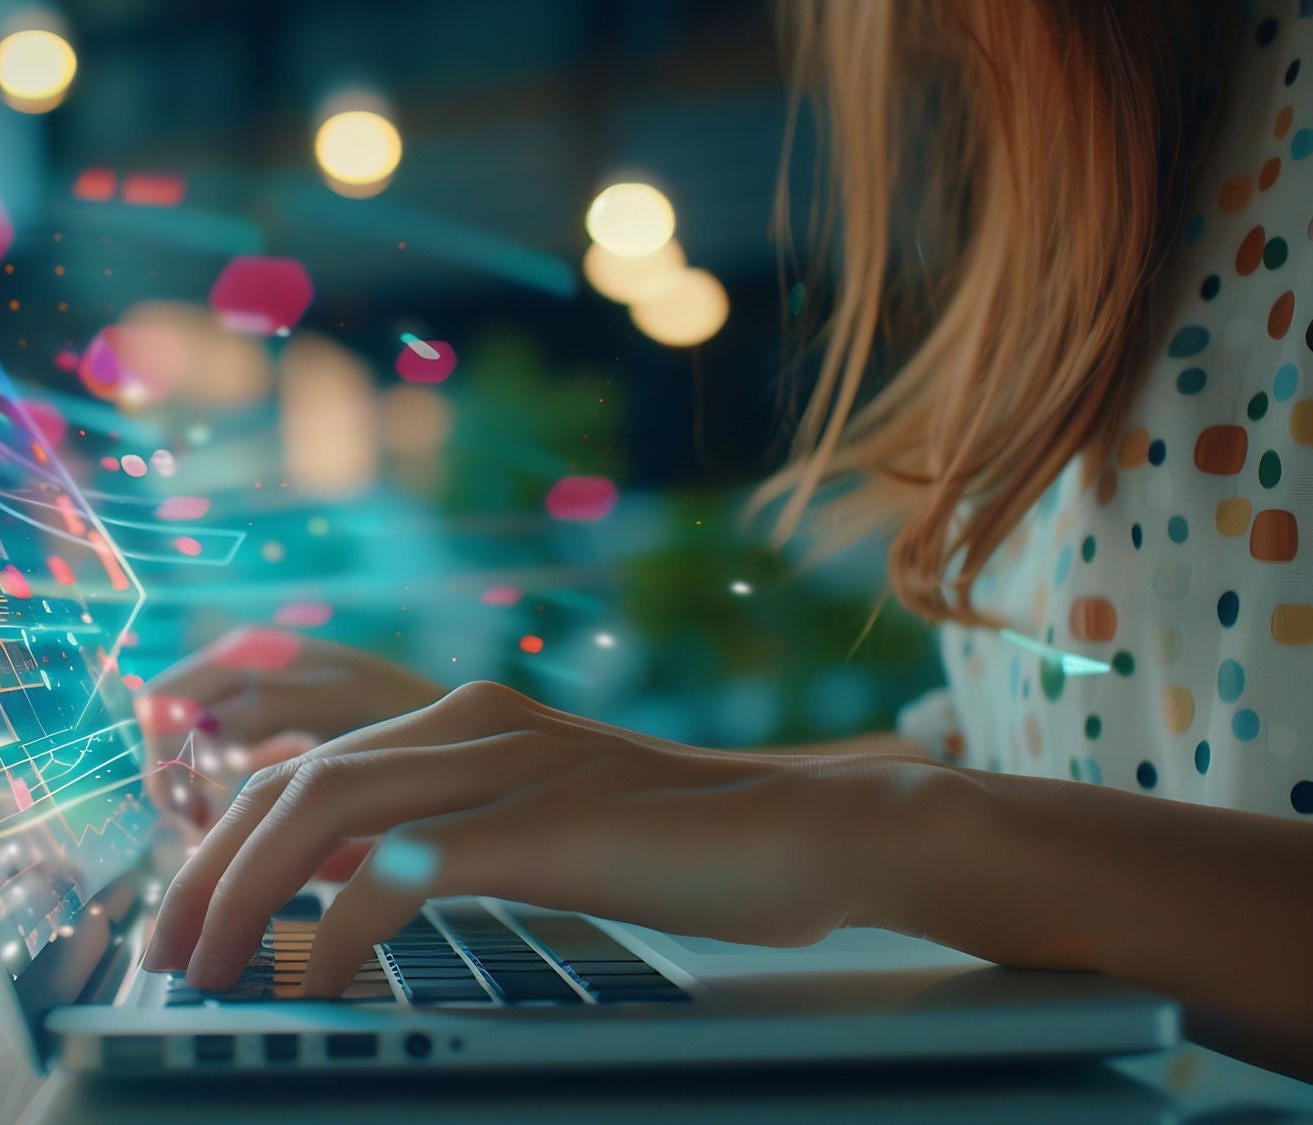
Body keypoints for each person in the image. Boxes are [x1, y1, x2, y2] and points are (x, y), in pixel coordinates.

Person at [139, 0, 1313, 1079]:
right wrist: (562, 775)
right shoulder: (1107, 124)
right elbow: (1034, 769)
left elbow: (964, 826)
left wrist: (896, 833)